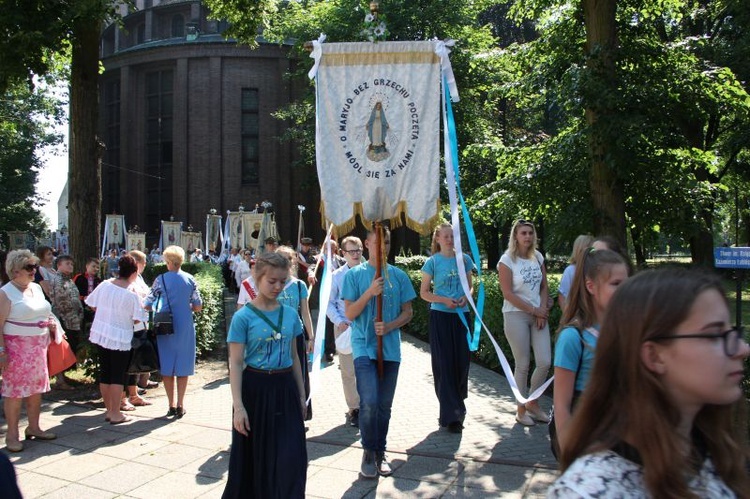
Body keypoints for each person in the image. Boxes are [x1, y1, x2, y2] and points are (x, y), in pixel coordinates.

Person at [548, 268, 750, 498]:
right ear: (653, 356)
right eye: (714, 335)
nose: (743, 349)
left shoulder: (722, 453)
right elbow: (562, 401)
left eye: (732, 331)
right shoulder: (590, 490)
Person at [222, 252, 307, 498]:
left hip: (285, 389)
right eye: (272, 281)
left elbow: (295, 359)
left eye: (282, 281)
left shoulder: (291, 315)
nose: (278, 286)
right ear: (257, 278)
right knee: (256, 456)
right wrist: (238, 406)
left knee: (291, 456)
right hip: (254, 390)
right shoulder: (243, 317)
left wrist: (302, 395)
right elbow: (236, 363)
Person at [342, 227, 416, 478]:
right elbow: (350, 314)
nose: (382, 246)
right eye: (377, 242)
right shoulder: (354, 276)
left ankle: (380, 451)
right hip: (363, 346)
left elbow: (408, 312)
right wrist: (370, 293)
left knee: (384, 404)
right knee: (370, 401)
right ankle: (368, 450)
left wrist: (391, 325)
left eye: (386, 241)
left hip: (390, 350)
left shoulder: (398, 276)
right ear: (367, 243)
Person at [551, 249, 628, 456]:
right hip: (588, 440)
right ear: (591, 286)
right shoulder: (573, 338)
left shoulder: (628, 330)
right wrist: (569, 453)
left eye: (626, 283)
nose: (624, 290)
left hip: (622, 439)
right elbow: (561, 405)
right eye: (615, 284)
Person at [420, 223, 476, 433]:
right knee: (444, 365)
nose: (450, 240)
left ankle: (457, 405)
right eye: (446, 236)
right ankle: (451, 415)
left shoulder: (465, 259)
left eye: (453, 236)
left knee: (461, 363)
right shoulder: (432, 262)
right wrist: (444, 300)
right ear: (437, 239)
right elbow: (424, 292)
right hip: (441, 317)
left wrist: (465, 297)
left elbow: (470, 286)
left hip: (461, 317)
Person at [0, 250, 58, 452]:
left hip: (38, 347)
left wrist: (52, 325)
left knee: (36, 389)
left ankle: (34, 427)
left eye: (35, 266)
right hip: (16, 349)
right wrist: (2, 352)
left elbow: (45, 311)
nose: (34, 271)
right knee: (14, 392)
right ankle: (12, 435)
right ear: (15, 271)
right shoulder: (5, 293)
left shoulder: (36, 288)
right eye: (29, 267)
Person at [497, 219, 551, 426]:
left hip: (538, 315)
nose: (527, 236)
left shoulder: (537, 257)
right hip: (515, 315)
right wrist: (534, 309)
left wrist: (542, 311)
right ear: (515, 236)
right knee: (523, 364)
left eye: (530, 233)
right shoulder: (506, 260)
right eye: (523, 233)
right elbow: (508, 293)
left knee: (545, 361)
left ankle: (533, 403)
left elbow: (544, 287)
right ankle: (521, 410)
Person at [86, 255, 146, 425]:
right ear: (134, 273)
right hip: (120, 336)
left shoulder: (105, 285)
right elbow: (137, 319)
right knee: (117, 375)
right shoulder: (131, 295)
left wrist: (106, 312)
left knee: (105, 373)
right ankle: (115, 412)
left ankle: (108, 410)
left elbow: (91, 303)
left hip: (102, 332)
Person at [144, 245, 203, 418]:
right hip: (185, 324)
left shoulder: (160, 280)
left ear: (168, 261)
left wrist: (160, 307)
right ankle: (180, 404)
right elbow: (198, 306)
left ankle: (170, 404)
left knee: (168, 365)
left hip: (165, 326)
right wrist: (186, 307)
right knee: (183, 366)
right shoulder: (190, 279)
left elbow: (148, 304)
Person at [326, 236, 363, 427]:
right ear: (343, 253)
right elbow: (329, 303)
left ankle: (368, 405)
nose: (356, 254)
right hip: (345, 328)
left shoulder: (370, 272)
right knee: (349, 371)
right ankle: (354, 408)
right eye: (351, 251)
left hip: (366, 328)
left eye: (358, 250)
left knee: (367, 369)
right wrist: (339, 322)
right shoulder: (337, 276)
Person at [275, 245, 315, 420]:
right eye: (280, 258)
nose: (285, 262)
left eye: (288, 258)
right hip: (274, 337)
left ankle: (301, 410)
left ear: (293, 261)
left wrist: (310, 337)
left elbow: (305, 313)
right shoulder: (270, 283)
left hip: (296, 335)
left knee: (299, 374)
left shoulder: (299, 286)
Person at [49, 255, 84, 389]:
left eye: (72, 264)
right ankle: (60, 379)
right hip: (65, 319)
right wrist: (72, 315)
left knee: (70, 348)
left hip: (73, 319)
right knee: (63, 349)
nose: (70, 266)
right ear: (59, 265)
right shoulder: (58, 280)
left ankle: (64, 376)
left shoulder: (68, 280)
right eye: (67, 263)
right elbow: (61, 302)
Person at [556, 235, 594, 311]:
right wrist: (568, 317)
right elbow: (562, 297)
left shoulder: (595, 269)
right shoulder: (570, 271)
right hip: (576, 315)